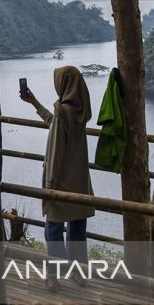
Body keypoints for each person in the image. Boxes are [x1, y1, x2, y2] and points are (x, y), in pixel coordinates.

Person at [20, 66, 94, 292]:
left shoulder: (63, 112)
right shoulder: (80, 111)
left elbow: (54, 152)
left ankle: (52, 276)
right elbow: (55, 124)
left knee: (53, 229)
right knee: (77, 228)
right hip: (80, 181)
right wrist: (35, 103)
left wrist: (48, 187)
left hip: (59, 181)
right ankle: (78, 273)